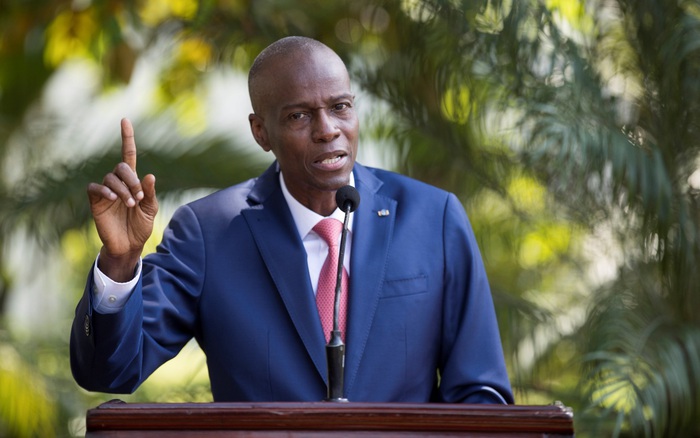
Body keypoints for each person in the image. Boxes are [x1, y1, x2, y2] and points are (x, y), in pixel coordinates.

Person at [70, 36, 514, 404]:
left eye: (340, 107)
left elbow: (480, 392)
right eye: (299, 115)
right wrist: (121, 262)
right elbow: (109, 371)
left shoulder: (433, 218)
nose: (327, 129)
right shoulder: (208, 233)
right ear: (261, 131)